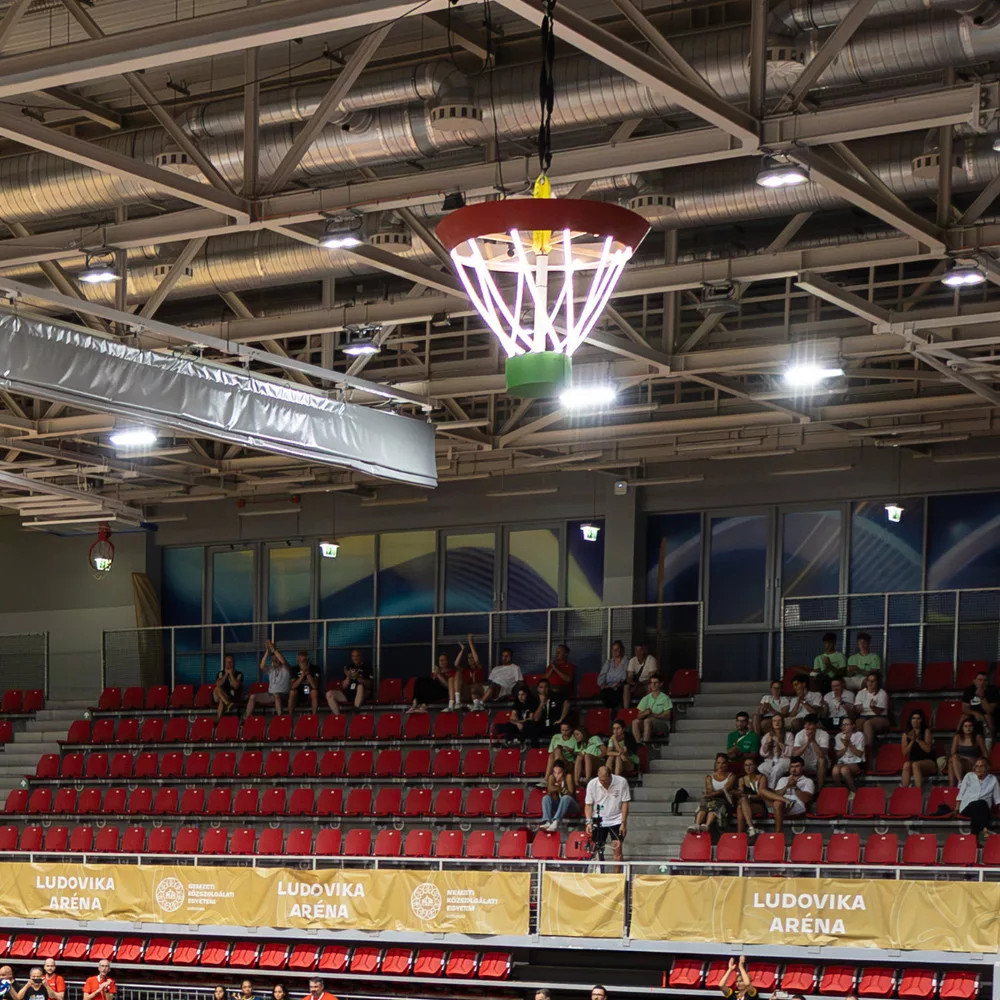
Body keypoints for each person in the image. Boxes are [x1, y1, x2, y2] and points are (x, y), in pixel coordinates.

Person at [585, 765, 631, 862]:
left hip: (616, 819)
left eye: (605, 780)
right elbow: (588, 805)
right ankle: (600, 870)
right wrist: (588, 822)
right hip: (598, 819)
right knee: (598, 851)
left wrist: (623, 823)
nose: (602, 782)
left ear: (610, 776)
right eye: (600, 780)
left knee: (617, 850)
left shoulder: (621, 782)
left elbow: (625, 803)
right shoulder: (592, 784)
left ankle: (617, 872)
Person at [760, 756, 814, 833]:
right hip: (781, 803)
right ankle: (786, 800)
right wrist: (787, 786)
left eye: (797, 766)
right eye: (792, 767)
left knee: (777, 803)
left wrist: (795, 787)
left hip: (796, 805)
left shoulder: (807, 781)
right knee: (762, 791)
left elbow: (806, 799)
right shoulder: (783, 779)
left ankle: (778, 832)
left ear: (802, 767)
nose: (794, 769)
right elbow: (776, 794)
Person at [958, 756, 1000, 841]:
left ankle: (974, 839)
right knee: (980, 803)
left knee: (980, 805)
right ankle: (985, 828)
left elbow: (998, 798)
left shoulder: (993, 779)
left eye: (981, 766)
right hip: (967, 808)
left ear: (987, 768)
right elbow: (961, 794)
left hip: (984, 810)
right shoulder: (969, 776)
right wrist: (956, 809)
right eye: (976, 766)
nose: (978, 769)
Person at [692, 752, 735, 835]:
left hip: (724, 800)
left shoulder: (731, 776)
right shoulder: (709, 777)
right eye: (718, 763)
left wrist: (711, 794)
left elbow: (724, 789)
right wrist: (711, 794)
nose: (721, 765)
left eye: (723, 763)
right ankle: (696, 825)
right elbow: (709, 789)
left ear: (727, 764)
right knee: (704, 804)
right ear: (716, 764)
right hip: (711, 800)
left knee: (714, 805)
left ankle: (707, 825)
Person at [245, 639, 290, 718]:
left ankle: (280, 718)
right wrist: (267, 652)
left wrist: (273, 649)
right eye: (273, 659)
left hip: (283, 695)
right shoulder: (271, 669)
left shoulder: (286, 668)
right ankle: (247, 718)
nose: (275, 660)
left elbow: (283, 661)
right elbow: (262, 666)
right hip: (270, 695)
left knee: (276, 695)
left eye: (276, 659)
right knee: (253, 696)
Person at [326, 648, 372, 714]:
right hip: (349, 693)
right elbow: (344, 686)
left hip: (362, 694)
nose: (355, 658)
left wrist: (358, 677)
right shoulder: (348, 667)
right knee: (329, 694)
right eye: (353, 656)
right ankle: (338, 717)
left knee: (360, 686)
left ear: (361, 656)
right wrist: (348, 676)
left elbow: (370, 685)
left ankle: (355, 711)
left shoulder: (367, 667)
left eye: (357, 656)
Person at [526, 678, 570, 746]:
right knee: (533, 728)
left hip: (554, 723)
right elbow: (536, 718)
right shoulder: (534, 700)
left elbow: (567, 704)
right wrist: (541, 703)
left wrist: (561, 719)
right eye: (541, 687)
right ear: (537, 689)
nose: (543, 689)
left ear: (549, 688)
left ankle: (557, 748)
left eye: (546, 687)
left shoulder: (555, 696)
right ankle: (535, 750)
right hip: (542, 724)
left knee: (559, 727)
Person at [791, 713, 830, 789]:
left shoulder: (824, 734)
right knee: (794, 762)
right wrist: (807, 743)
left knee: (821, 760)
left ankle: (820, 788)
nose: (807, 726)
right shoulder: (799, 734)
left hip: (820, 763)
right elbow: (795, 754)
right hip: (805, 762)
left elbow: (822, 755)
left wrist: (813, 741)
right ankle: (795, 788)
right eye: (806, 724)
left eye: (810, 724)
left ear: (816, 725)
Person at [900, 708, 936, 788]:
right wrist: (912, 741)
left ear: (921, 720)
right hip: (914, 760)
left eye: (918, 718)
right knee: (906, 765)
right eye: (913, 718)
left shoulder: (926, 731)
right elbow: (905, 753)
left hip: (928, 761)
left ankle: (918, 791)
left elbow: (928, 750)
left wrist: (917, 739)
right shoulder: (906, 735)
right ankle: (904, 790)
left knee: (915, 765)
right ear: (910, 720)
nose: (915, 721)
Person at [949, 715, 989, 786]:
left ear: (973, 727)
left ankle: (954, 786)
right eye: (966, 726)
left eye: (970, 726)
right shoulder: (958, 737)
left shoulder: (977, 737)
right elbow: (953, 752)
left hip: (972, 764)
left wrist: (983, 764)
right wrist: (961, 758)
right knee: (952, 761)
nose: (968, 728)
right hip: (960, 763)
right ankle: (959, 782)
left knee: (952, 763)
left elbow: (985, 753)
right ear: (962, 728)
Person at [632, 675, 673, 744]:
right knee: (635, 722)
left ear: (661, 684)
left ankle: (646, 744)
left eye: (655, 683)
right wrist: (645, 713)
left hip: (663, 724)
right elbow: (638, 716)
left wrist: (652, 714)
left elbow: (668, 716)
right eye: (651, 683)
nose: (653, 685)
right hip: (648, 723)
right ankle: (639, 744)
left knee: (647, 720)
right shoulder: (646, 698)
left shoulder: (665, 698)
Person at [541, 759, 579, 831]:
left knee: (566, 798)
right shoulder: (552, 777)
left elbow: (570, 793)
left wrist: (558, 788)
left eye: (559, 773)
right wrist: (559, 788)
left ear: (563, 771)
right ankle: (547, 821)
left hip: (571, 806)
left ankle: (556, 821)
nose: (556, 775)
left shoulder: (568, 777)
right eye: (555, 772)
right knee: (546, 798)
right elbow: (549, 790)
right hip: (559, 805)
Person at [734, 756, 768, 838]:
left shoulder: (761, 777)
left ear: (755, 766)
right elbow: (741, 793)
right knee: (740, 806)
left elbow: (761, 796)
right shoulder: (741, 779)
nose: (748, 767)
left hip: (759, 804)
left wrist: (748, 796)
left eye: (750, 765)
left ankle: (740, 834)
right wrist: (738, 793)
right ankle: (750, 828)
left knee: (742, 803)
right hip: (746, 805)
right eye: (746, 765)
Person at [830, 716, 866, 792]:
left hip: (857, 761)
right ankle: (841, 792)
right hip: (843, 761)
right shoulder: (838, 736)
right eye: (842, 725)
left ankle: (853, 791)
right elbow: (838, 755)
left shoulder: (859, 735)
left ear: (853, 726)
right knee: (835, 770)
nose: (844, 727)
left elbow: (859, 754)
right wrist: (845, 747)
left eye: (846, 724)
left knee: (844, 770)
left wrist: (849, 743)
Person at [855, 671, 890, 747]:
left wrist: (873, 707)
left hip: (880, 717)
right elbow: (857, 710)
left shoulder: (882, 693)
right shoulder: (861, 693)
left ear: (877, 682)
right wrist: (857, 708)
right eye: (868, 681)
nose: (870, 683)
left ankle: (868, 749)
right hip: (864, 716)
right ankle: (856, 749)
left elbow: (879, 712)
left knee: (868, 724)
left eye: (873, 681)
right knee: (857, 723)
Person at [962, 670, 999, 739]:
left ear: (988, 682)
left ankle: (990, 742)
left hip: (990, 716)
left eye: (985, 680)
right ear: (974, 681)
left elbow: (989, 711)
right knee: (964, 716)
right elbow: (964, 708)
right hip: (974, 714)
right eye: (980, 680)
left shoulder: (993, 690)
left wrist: (982, 697)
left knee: (988, 717)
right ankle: (959, 739)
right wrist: (975, 713)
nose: (982, 682)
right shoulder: (969, 690)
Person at [456, 636, 488, 709]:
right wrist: (462, 650)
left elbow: (477, 661)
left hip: (478, 692)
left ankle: (477, 705)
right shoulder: (465, 670)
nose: (471, 659)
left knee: (475, 687)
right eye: (469, 658)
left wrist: (470, 643)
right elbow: (456, 664)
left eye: (472, 657)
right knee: (458, 673)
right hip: (468, 693)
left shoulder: (479, 668)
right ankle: (457, 702)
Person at [624, 642, 658, 708]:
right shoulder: (632, 660)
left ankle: (649, 709)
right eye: (636, 650)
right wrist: (632, 683)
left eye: (640, 650)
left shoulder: (651, 660)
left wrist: (639, 684)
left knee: (650, 687)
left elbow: (652, 678)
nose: (638, 653)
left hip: (646, 685)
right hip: (637, 686)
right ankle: (626, 709)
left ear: (645, 651)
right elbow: (630, 677)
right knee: (626, 687)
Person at [597, 640, 628, 708]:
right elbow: (601, 676)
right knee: (605, 692)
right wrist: (602, 684)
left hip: (619, 687)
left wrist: (615, 684)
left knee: (610, 694)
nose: (615, 651)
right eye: (613, 649)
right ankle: (610, 711)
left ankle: (611, 711)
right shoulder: (608, 662)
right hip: (607, 687)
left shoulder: (625, 661)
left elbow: (624, 677)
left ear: (621, 649)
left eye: (617, 649)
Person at [212, 654, 244, 720]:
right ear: (225, 663)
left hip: (232, 697)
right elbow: (218, 684)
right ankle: (228, 704)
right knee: (217, 688)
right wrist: (226, 674)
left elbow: (236, 686)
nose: (228, 664)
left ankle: (218, 720)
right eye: (227, 662)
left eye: (230, 662)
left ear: (234, 663)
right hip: (219, 696)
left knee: (222, 701)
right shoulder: (221, 673)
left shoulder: (239, 674)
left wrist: (231, 674)